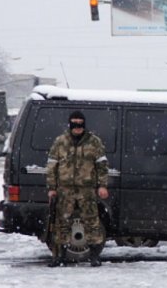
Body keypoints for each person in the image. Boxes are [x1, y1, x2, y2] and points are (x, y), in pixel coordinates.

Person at [46, 111, 109, 267]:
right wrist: (52, 187)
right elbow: (52, 166)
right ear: (70, 125)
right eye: (74, 124)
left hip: (87, 189)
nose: (78, 128)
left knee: (92, 221)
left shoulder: (94, 142)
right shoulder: (60, 142)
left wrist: (102, 185)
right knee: (62, 222)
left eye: (80, 124)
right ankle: (59, 256)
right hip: (65, 189)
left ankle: (94, 256)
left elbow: (102, 165)